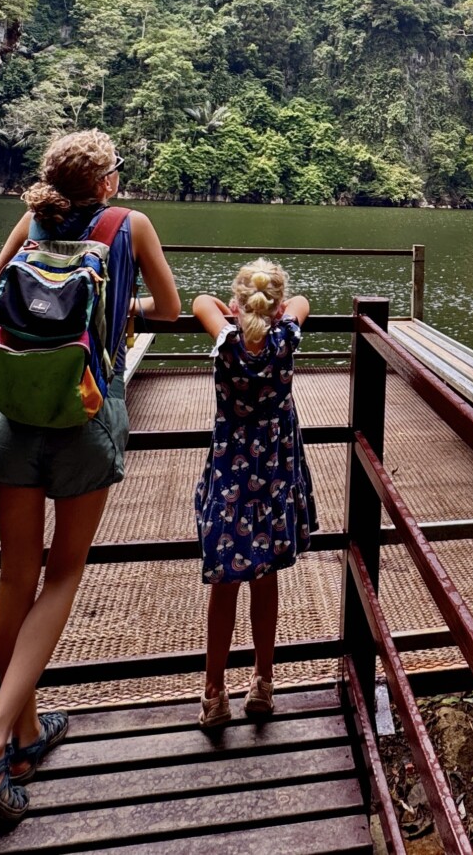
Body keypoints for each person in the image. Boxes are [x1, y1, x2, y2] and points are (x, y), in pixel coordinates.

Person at [0, 129, 179, 820]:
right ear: (105, 182)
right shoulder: (129, 226)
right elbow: (167, 311)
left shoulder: (31, 220)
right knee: (63, 575)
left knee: (17, 574)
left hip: (15, 410)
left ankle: (23, 732)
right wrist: (122, 307)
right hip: (84, 411)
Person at [191, 259, 316, 728]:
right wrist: (284, 313)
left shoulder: (226, 344)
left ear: (237, 306)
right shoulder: (285, 340)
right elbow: (303, 304)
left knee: (224, 586)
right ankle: (263, 682)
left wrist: (224, 312)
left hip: (230, 482)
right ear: (277, 307)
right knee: (266, 582)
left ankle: (214, 692)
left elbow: (200, 302)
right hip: (274, 479)